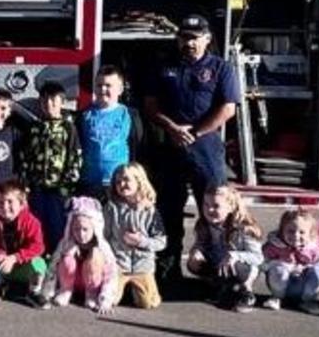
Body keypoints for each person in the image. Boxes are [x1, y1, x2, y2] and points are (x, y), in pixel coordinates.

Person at [144, 14, 241, 285]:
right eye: (185, 37)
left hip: (206, 150)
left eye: (195, 38)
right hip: (170, 148)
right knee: (167, 211)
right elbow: (151, 105)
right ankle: (167, 273)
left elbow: (228, 108)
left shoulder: (221, 69)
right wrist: (172, 128)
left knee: (216, 212)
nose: (189, 42)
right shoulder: (164, 68)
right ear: (178, 39)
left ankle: (221, 276)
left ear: (207, 39)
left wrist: (195, 132)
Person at [18, 81, 82, 253]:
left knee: (57, 226)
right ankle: (38, 258)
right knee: (37, 224)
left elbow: (75, 157)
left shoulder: (68, 128)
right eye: (45, 101)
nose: (49, 105)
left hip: (59, 190)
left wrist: (68, 186)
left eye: (54, 100)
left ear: (62, 102)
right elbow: (25, 156)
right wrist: (25, 183)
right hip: (37, 188)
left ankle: (58, 259)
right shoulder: (33, 128)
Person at [187, 184, 263, 313]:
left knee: (237, 267)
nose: (210, 210)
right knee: (193, 263)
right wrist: (197, 250)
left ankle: (246, 292)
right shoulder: (204, 224)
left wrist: (235, 256)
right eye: (206, 204)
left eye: (216, 206)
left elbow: (258, 258)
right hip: (219, 262)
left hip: (242, 267)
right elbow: (201, 243)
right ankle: (220, 285)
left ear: (230, 207)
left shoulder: (244, 228)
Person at [103, 163, 166, 310]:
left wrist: (142, 241)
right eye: (118, 182)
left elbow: (161, 241)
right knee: (109, 301)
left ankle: (140, 290)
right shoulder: (111, 208)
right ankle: (121, 290)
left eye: (126, 180)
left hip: (142, 265)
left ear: (139, 181)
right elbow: (104, 236)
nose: (122, 184)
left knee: (148, 304)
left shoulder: (150, 210)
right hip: (118, 264)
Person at [39, 196, 118, 315]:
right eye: (76, 229)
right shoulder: (66, 243)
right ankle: (66, 290)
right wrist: (47, 292)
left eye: (85, 229)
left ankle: (91, 293)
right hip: (72, 280)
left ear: (94, 228)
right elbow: (53, 266)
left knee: (95, 255)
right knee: (66, 257)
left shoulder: (102, 247)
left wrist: (106, 298)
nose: (81, 234)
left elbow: (111, 273)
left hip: (92, 282)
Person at [77, 65, 143, 201]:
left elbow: (137, 147)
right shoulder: (83, 115)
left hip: (120, 185)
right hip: (90, 185)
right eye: (99, 85)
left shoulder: (130, 115)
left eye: (108, 85)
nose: (103, 89)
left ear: (120, 89)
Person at [0, 179, 47, 307]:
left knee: (39, 263)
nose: (5, 206)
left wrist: (15, 257)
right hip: (2, 266)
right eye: (0, 202)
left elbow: (38, 247)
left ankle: (33, 292)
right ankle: (0, 285)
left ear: (21, 204)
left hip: (21, 266)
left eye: (10, 202)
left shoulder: (32, 222)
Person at [262, 209, 319, 314]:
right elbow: (262, 263)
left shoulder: (313, 249)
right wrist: (279, 263)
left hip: (303, 285)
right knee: (278, 268)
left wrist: (306, 267)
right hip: (282, 285)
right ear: (282, 231)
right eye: (290, 231)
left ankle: (308, 300)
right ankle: (277, 297)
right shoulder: (274, 246)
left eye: (302, 232)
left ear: (310, 233)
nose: (296, 236)